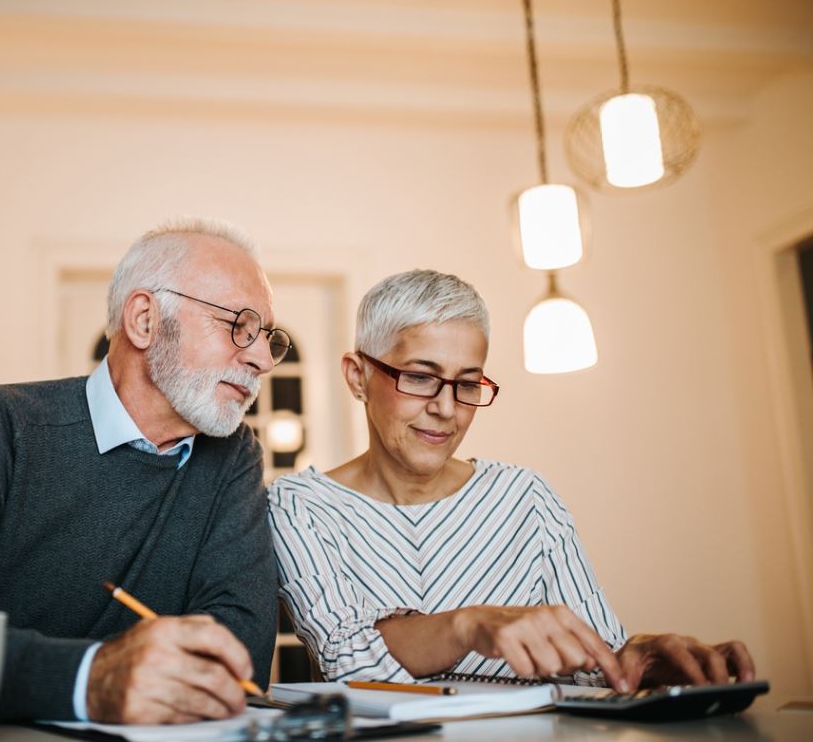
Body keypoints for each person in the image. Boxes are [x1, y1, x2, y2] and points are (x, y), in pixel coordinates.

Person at [0, 220, 291, 724]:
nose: (261, 358)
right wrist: (87, 678)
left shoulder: (232, 456)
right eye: (239, 324)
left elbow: (238, 659)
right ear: (145, 320)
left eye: (267, 337)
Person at [268, 269, 754, 692]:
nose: (446, 407)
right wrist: (467, 625)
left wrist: (642, 658)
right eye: (420, 376)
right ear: (357, 377)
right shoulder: (299, 506)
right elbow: (348, 661)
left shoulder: (527, 498)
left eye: (467, 383)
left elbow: (594, 665)